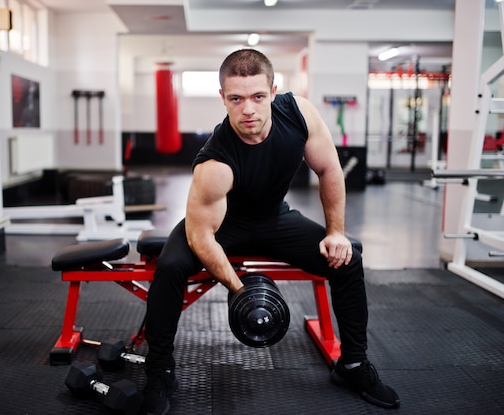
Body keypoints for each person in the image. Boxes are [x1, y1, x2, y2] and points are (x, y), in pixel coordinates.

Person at [141, 48, 400, 415]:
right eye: (236, 98)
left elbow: (329, 169)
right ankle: (160, 368)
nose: (248, 109)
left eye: (258, 96)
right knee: (169, 268)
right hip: (222, 226)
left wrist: (336, 232)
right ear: (223, 99)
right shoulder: (215, 163)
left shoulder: (299, 114)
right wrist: (238, 287)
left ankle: (353, 365)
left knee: (347, 260)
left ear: (274, 91)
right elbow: (202, 237)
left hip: (274, 218)